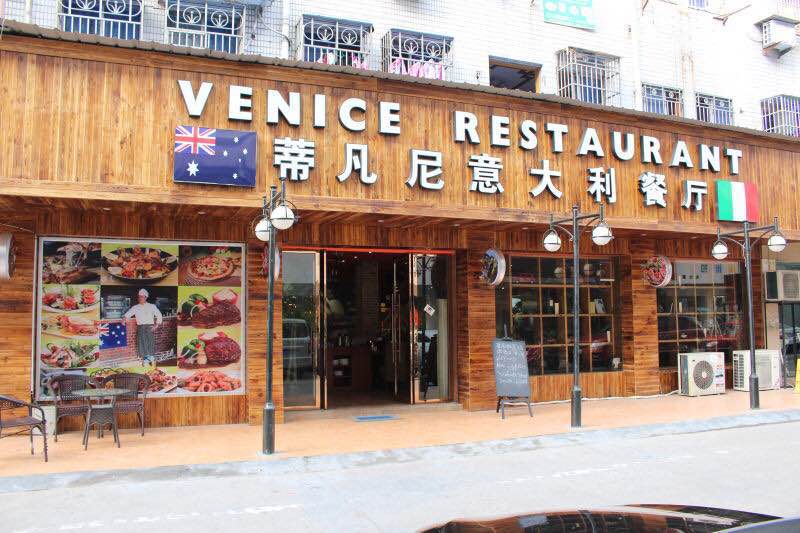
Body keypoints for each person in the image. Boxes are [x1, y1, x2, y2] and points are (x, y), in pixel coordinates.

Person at [124, 288, 163, 367]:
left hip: (149, 327)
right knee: (142, 344)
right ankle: (145, 360)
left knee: (150, 343)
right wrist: (124, 319)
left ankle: (152, 359)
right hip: (140, 327)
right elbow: (128, 314)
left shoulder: (152, 306)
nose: (140, 298)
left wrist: (157, 325)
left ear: (146, 297)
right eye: (139, 297)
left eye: (142, 297)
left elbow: (159, 315)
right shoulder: (135, 307)